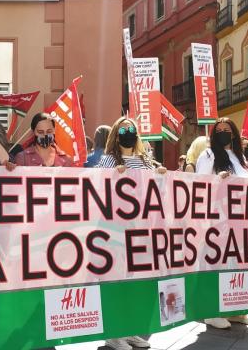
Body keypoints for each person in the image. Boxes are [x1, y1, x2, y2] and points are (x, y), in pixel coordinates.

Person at [96, 117, 164, 350]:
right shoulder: (108, 160)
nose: (128, 132)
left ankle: (131, 328)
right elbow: (97, 189)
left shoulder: (145, 160)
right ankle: (114, 333)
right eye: (123, 129)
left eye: (132, 129)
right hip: (116, 230)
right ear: (116, 134)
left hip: (142, 229)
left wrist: (162, 175)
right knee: (118, 282)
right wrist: (113, 175)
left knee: (137, 283)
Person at [196, 117, 248, 329]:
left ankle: (238, 310)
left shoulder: (242, 159)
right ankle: (211, 311)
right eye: (219, 130)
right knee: (218, 264)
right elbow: (199, 184)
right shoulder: (208, 155)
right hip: (219, 221)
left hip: (244, 221)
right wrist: (218, 180)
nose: (223, 132)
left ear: (233, 134)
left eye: (227, 129)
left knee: (240, 265)